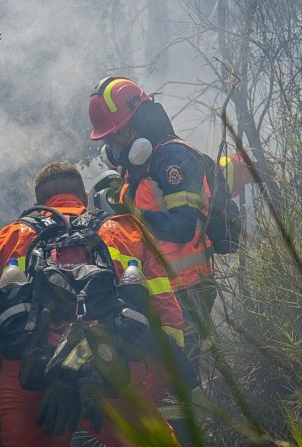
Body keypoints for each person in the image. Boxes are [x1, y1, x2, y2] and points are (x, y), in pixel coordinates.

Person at [0, 161, 184, 447]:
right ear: (86, 197)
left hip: (28, 378)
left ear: (38, 204)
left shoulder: (7, 240)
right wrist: (143, 390)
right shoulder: (124, 233)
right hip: (111, 372)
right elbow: (167, 317)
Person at [88, 76, 218, 446]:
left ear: (142, 120)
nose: (114, 147)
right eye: (110, 139)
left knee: (177, 389)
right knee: (154, 386)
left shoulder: (174, 159)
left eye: (119, 136)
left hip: (188, 292)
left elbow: (181, 228)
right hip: (159, 294)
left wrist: (127, 211)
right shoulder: (141, 165)